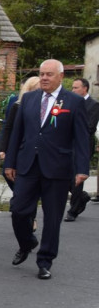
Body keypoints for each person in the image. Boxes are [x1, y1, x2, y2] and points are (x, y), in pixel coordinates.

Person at [4, 59, 91, 280]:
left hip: (58, 168)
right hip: (28, 165)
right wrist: (10, 163)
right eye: (41, 74)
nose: (43, 78)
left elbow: (82, 138)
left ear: (61, 77)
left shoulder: (73, 101)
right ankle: (27, 242)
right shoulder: (29, 99)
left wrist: (82, 168)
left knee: (52, 218)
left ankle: (45, 260)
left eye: (49, 74)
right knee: (18, 210)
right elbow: (17, 133)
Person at [63, 78, 99, 221]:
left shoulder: (93, 105)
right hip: (67, 144)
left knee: (77, 176)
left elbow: (90, 127)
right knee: (65, 175)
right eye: (72, 87)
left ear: (85, 88)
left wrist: (71, 128)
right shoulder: (69, 103)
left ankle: (73, 210)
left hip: (82, 146)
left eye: (76, 88)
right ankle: (82, 197)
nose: (73, 90)